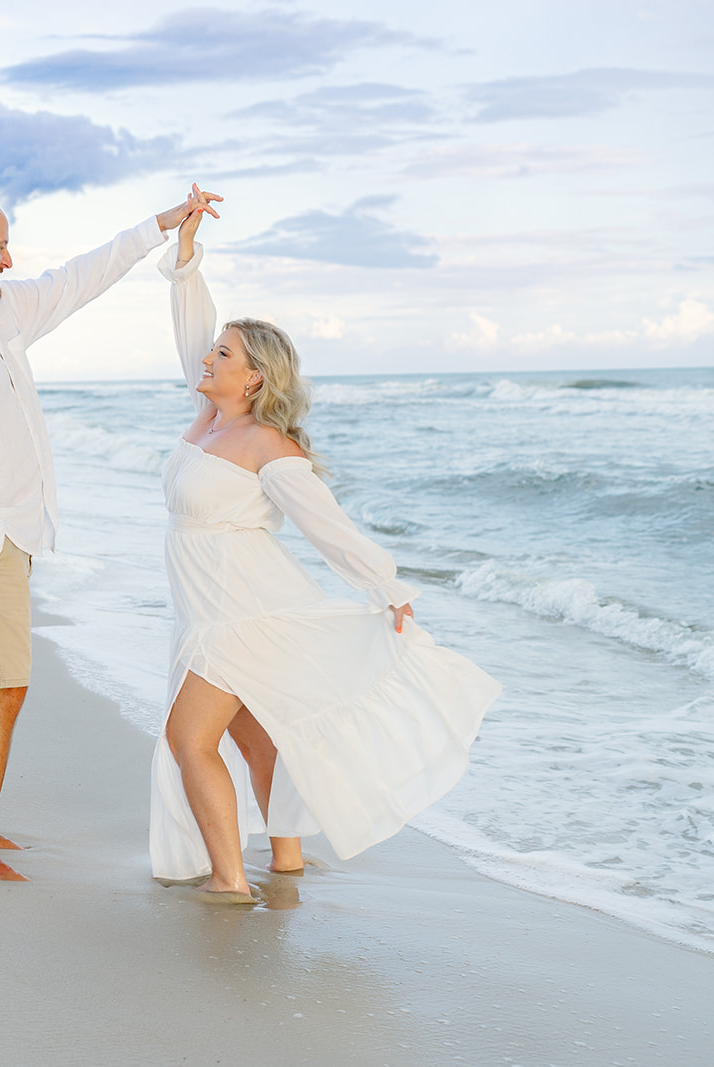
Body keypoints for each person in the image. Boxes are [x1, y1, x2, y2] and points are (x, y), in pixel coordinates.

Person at [149, 188, 502, 902]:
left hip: (242, 613)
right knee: (254, 738)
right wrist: (186, 259)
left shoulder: (267, 444)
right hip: (209, 607)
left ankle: (228, 879)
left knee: (190, 740)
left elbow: (326, 526)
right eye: (214, 350)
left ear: (254, 378)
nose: (210, 357)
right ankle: (285, 860)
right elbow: (193, 330)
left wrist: (388, 588)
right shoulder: (208, 415)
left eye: (226, 354)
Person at [0, 188, 213, 881]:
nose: (9, 259)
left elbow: (77, 280)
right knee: (4, 689)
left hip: (7, 537)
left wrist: (158, 226)